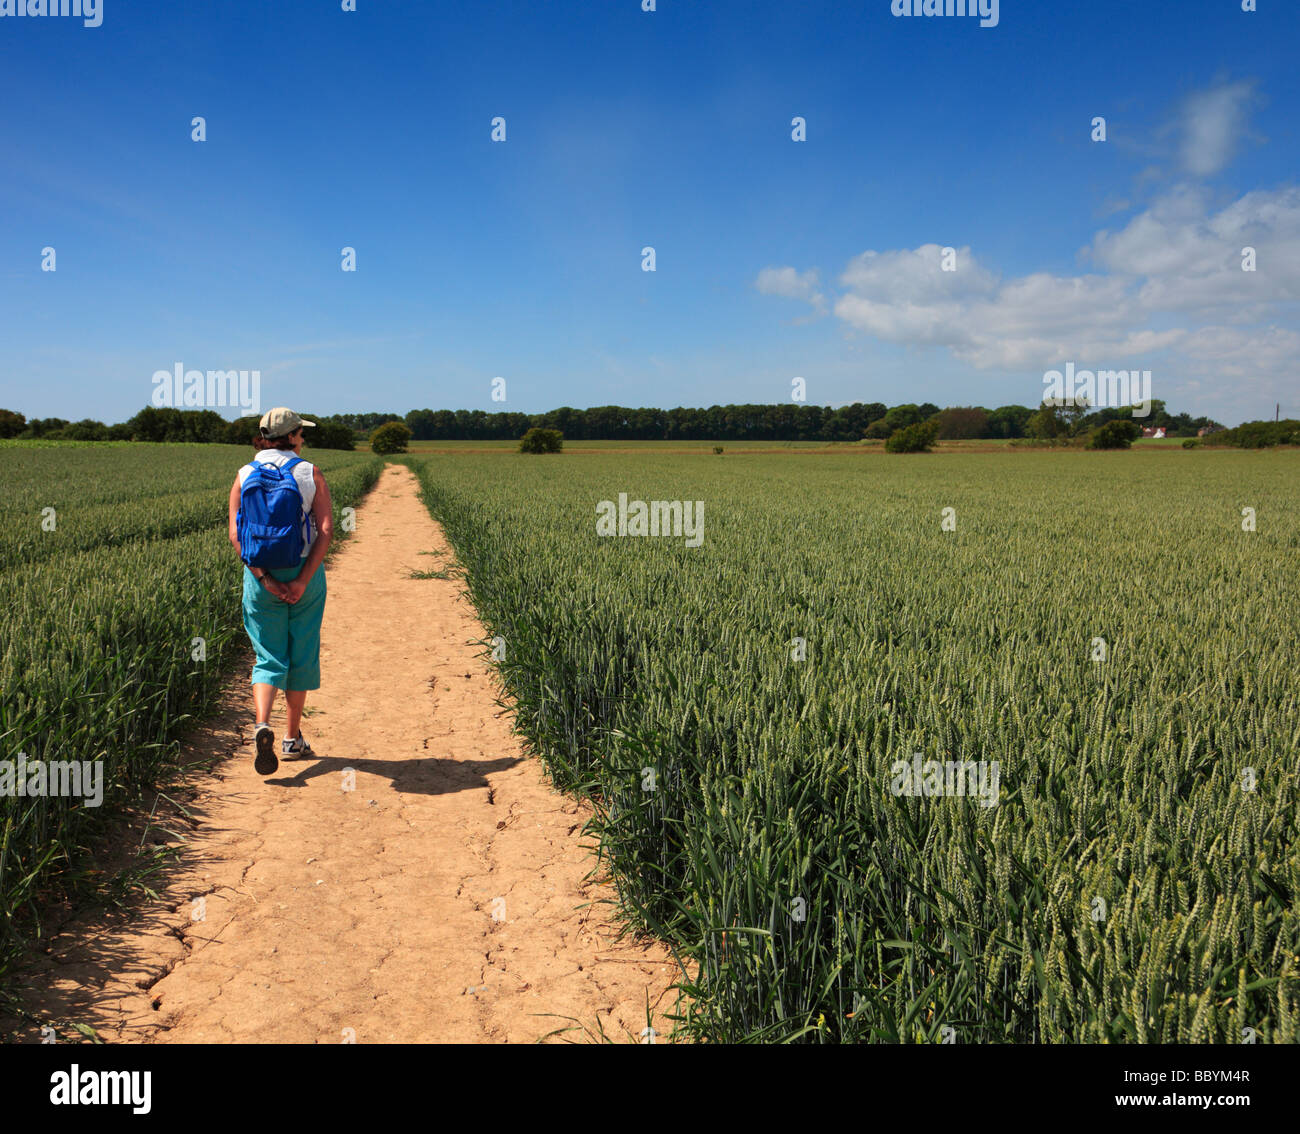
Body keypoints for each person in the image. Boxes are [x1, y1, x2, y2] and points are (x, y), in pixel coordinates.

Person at [227, 408, 334, 775]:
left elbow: (236, 536)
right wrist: (302, 579)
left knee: (268, 657)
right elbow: (325, 530)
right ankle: (291, 739)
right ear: (292, 437)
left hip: (260, 577)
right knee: (301, 652)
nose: (303, 438)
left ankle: (261, 724)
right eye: (301, 433)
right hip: (304, 572)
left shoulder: (244, 474)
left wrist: (266, 580)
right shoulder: (308, 472)